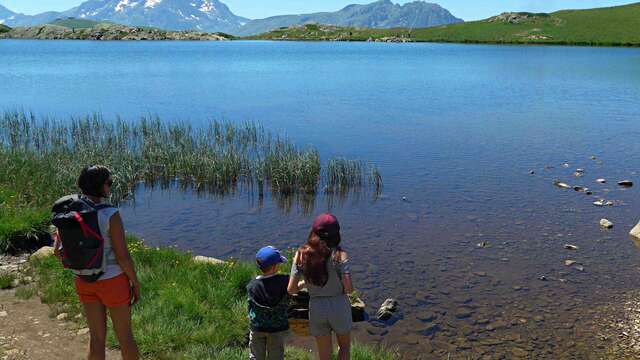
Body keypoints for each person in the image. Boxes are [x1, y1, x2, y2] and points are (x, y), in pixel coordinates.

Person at [53, 165, 140, 360]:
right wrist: (135, 282)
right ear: (100, 186)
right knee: (125, 337)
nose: (110, 187)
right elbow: (123, 257)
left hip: (83, 280)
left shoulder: (70, 210)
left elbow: (56, 252)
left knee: (97, 338)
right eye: (109, 183)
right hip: (113, 281)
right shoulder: (110, 214)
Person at [288, 213, 353, 360]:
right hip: (339, 306)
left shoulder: (301, 254)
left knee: (324, 355)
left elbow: (291, 289)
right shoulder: (339, 255)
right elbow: (349, 288)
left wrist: (304, 283)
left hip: (316, 308)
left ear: (313, 232)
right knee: (344, 348)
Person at [247, 246, 290, 360]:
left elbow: (250, 305)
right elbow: (293, 288)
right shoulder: (284, 280)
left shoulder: (252, 285)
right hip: (276, 329)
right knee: (276, 354)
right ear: (275, 266)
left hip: (257, 327)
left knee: (255, 355)